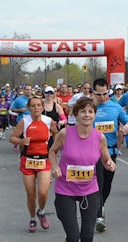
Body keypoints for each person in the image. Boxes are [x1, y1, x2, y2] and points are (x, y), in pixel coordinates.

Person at [49, 97, 116, 242]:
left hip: (89, 190)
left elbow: (106, 159)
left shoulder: (100, 137)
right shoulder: (65, 134)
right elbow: (52, 151)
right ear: (76, 114)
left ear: (95, 114)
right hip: (65, 190)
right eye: (83, 111)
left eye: (90, 111)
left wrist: (110, 163)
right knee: (73, 237)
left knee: (87, 236)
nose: (87, 115)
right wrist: (55, 167)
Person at [9, 96, 58, 233]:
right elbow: (11, 138)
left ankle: (41, 212)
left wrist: (54, 151)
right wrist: (21, 142)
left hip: (43, 160)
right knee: (31, 194)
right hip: (28, 161)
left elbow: (58, 136)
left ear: (42, 107)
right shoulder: (24, 122)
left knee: (43, 192)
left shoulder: (48, 121)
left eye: (38, 105)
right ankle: (32, 219)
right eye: (33, 106)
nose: (36, 108)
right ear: (29, 108)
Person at [91, 78, 128, 232]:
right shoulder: (89, 108)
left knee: (107, 185)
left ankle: (100, 205)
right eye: (98, 94)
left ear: (109, 92)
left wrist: (126, 127)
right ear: (93, 93)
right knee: (98, 183)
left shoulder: (115, 107)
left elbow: (127, 121)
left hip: (111, 151)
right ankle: (99, 215)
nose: (102, 97)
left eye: (105, 94)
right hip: (93, 152)